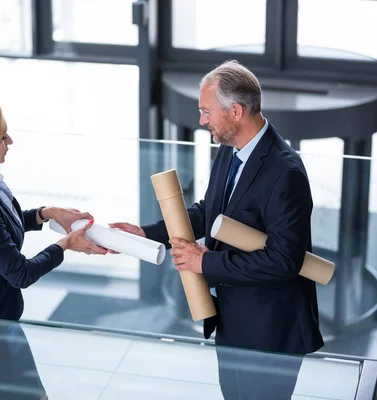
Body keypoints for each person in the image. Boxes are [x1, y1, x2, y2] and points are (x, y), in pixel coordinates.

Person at [110, 60, 323, 400]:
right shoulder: (228, 150)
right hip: (232, 317)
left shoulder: (286, 174)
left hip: (270, 330)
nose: (201, 120)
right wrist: (146, 234)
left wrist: (204, 263)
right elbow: (209, 212)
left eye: (206, 111)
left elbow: (284, 261)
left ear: (235, 111)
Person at [0, 97, 105, 399]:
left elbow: (1, 229)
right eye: (2, 136)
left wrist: (46, 213)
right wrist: (65, 245)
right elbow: (20, 274)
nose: (9, 141)